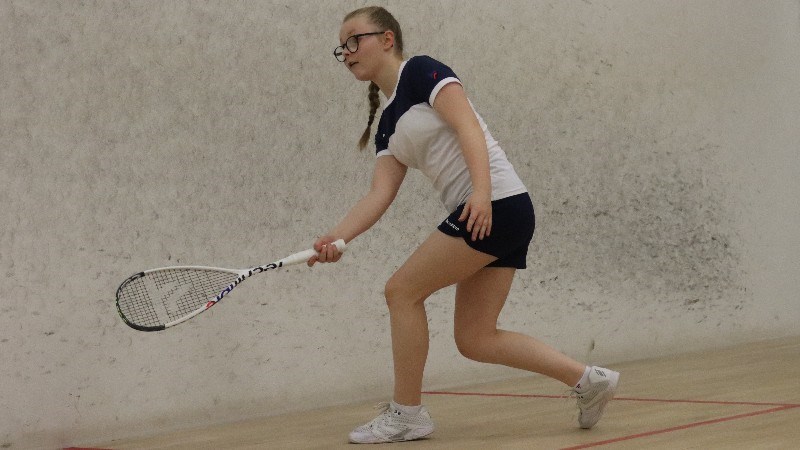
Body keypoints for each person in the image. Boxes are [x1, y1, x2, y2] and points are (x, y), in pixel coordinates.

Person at [308, 6, 619, 444]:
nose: (348, 51)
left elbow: (468, 126)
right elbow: (379, 195)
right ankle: (588, 380)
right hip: (493, 211)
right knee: (475, 338)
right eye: (342, 47)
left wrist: (480, 192)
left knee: (401, 291)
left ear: (387, 39)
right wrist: (338, 237)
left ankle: (407, 415)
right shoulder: (388, 125)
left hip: (494, 204)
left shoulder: (421, 71)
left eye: (355, 39)